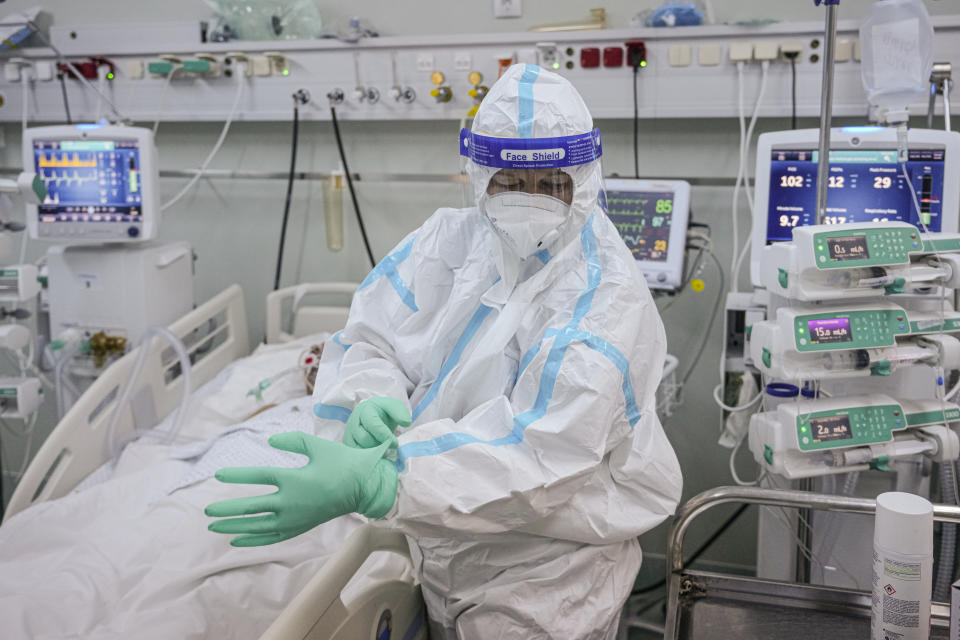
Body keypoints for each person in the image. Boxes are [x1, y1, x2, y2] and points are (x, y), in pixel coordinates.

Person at [206, 63, 683, 639]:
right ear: (479, 174)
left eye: (551, 184)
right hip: (438, 535)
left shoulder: (607, 301)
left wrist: (385, 482)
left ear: (582, 180)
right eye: (510, 181)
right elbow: (371, 337)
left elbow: (541, 453)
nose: (529, 200)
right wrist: (368, 399)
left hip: (548, 574)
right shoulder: (446, 242)